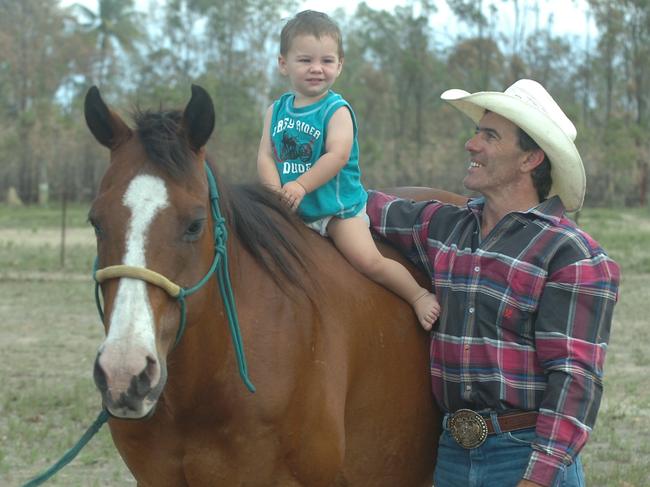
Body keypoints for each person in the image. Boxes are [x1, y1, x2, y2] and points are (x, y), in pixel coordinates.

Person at [366, 79, 620, 487]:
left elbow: (575, 380)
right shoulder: (445, 226)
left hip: (523, 457)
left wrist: (536, 480)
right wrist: (300, 171)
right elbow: (362, 206)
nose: (471, 144)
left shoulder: (571, 255)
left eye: (489, 135)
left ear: (530, 159)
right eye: (476, 132)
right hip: (452, 452)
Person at [257, 10, 440, 329]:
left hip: (336, 210)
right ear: (283, 63)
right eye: (305, 60)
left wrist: (299, 185)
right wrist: (274, 192)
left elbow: (337, 155)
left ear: (339, 65)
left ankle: (417, 294)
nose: (316, 68)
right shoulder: (276, 110)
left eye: (326, 61)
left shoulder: (335, 110)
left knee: (368, 261)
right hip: (293, 209)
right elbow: (265, 156)